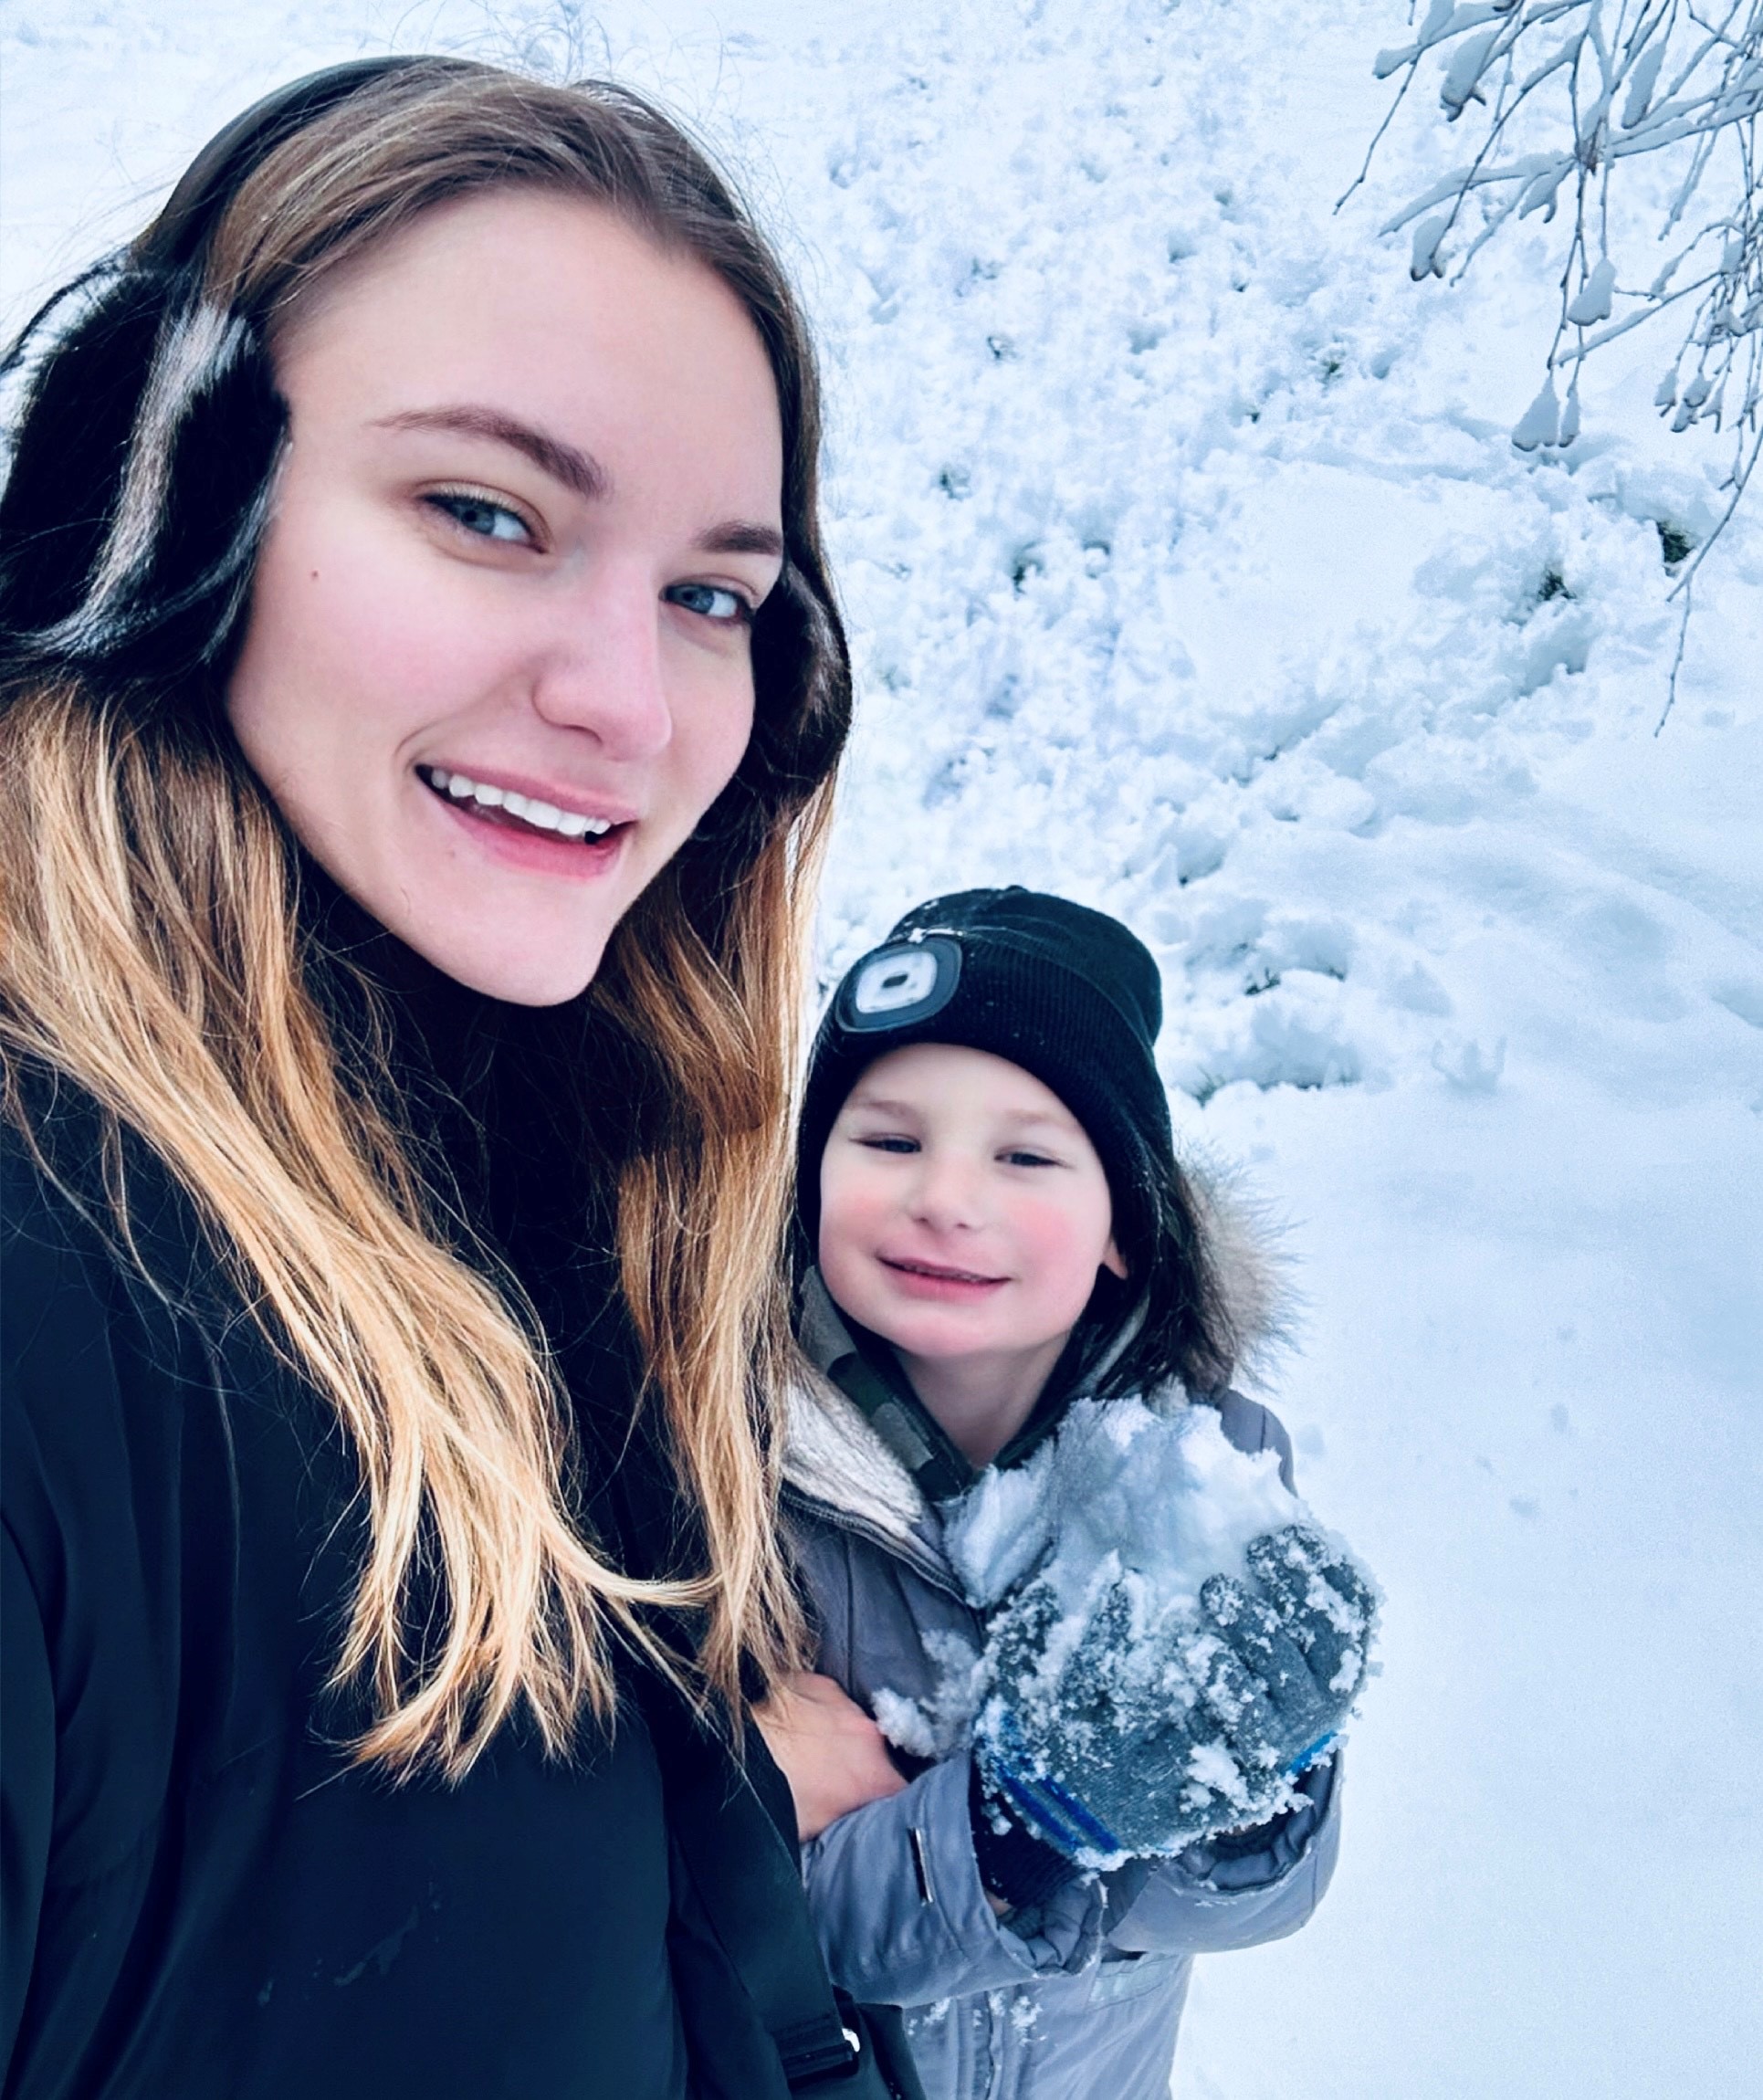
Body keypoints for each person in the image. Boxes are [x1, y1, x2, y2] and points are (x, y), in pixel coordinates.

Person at [0, 56, 889, 2100]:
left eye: (713, 597)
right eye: (486, 512)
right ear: (145, 514)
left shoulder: (577, 1200)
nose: (626, 700)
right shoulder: (46, 1298)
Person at [754, 888, 1373, 2100]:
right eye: (889, 1140)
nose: (946, 1195)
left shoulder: (1207, 1470)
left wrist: (1244, 1802)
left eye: (1026, 1154)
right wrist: (1015, 1833)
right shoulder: (735, 1478)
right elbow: (760, 1911)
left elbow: (1268, 1904)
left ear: (1124, 1229)